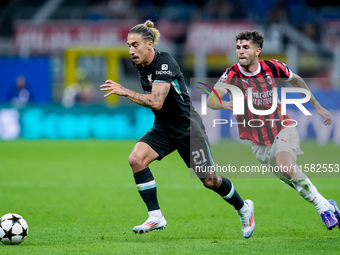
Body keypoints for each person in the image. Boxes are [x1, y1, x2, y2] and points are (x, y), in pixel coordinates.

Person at [100, 20, 255, 238]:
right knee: (136, 159)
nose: (130, 50)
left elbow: (156, 102)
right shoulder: (140, 65)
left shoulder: (165, 63)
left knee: (210, 180)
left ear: (149, 44)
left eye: (135, 45)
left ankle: (243, 208)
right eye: (128, 45)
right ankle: (155, 216)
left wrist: (124, 91)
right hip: (164, 127)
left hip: (187, 129)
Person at [207, 30, 340, 230]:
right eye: (238, 48)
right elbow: (211, 100)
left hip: (282, 127)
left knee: (287, 167)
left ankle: (322, 209)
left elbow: (297, 81)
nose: (240, 52)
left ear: (257, 51)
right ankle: (329, 205)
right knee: (294, 181)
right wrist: (225, 104)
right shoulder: (232, 74)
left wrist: (318, 106)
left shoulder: (273, 67)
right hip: (258, 143)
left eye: (246, 47)